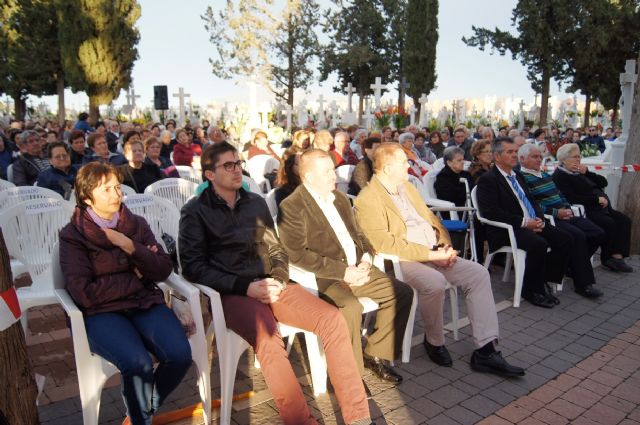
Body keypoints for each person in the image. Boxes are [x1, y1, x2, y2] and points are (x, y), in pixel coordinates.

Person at [179, 143, 373, 425]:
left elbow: (277, 250)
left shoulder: (254, 203)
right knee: (268, 338)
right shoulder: (195, 211)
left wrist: (279, 279)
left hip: (273, 284)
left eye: (238, 163)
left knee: (332, 318)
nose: (237, 170)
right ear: (209, 174)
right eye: (228, 165)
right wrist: (244, 286)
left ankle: (358, 417)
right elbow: (193, 267)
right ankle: (300, 421)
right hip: (233, 294)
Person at [354, 143, 525, 376]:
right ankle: (434, 341)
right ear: (386, 167)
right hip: (403, 261)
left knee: (478, 274)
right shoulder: (368, 198)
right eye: (404, 162)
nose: (409, 165)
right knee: (434, 282)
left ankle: (486, 349)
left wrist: (444, 246)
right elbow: (383, 243)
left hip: (432, 252)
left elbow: (431, 219)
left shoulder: (406, 187)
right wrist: (431, 255)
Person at [59, 162, 191, 425]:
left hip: (144, 303)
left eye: (117, 187)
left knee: (179, 355)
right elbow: (83, 293)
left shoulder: (136, 224)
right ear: (87, 197)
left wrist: (130, 246)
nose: (116, 194)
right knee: (137, 363)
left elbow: (163, 268)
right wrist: (136, 276)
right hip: (101, 313)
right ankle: (142, 419)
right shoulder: (73, 236)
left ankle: (140, 412)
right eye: (106, 189)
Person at [277, 149, 413, 383]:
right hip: (326, 277)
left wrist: (365, 259)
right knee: (349, 308)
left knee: (401, 293)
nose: (335, 175)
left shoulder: (339, 198)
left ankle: (375, 354)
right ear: (309, 177)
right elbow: (296, 255)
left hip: (358, 269)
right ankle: (349, 377)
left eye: (333, 168)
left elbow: (358, 234)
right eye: (328, 171)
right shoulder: (292, 206)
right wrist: (344, 272)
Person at [476, 137, 572, 308]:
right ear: (497, 156)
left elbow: (531, 200)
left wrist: (539, 219)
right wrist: (524, 223)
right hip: (508, 229)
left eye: (515, 151)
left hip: (530, 223)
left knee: (565, 239)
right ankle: (531, 290)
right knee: (539, 244)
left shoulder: (517, 175)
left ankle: (543, 281)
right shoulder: (488, 179)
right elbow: (490, 212)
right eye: (510, 152)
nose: (515, 155)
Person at [518, 144, 605, 298]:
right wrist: (557, 213)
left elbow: (560, 195)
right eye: (535, 157)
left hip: (565, 213)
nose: (539, 159)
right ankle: (583, 284)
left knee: (598, 233)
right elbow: (531, 205)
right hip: (551, 218)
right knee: (577, 236)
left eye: (540, 156)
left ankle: (571, 264)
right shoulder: (523, 178)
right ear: (522, 160)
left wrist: (566, 208)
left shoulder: (544, 175)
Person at [552, 143, 633, 273]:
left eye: (579, 156)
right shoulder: (560, 176)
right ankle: (607, 257)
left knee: (624, 220)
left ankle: (617, 256)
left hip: (602, 207)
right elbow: (572, 198)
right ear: (564, 160)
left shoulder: (579, 172)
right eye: (574, 157)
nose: (578, 160)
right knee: (609, 224)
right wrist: (596, 199)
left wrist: (587, 173)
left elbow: (603, 182)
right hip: (587, 209)